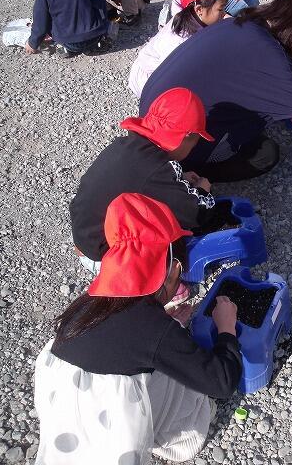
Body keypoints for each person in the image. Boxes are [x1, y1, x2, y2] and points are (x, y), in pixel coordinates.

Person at [35, 192, 242, 464]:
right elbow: (222, 382)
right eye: (180, 271)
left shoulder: (88, 306)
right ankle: (171, 437)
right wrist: (226, 327)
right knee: (180, 391)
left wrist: (169, 326)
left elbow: (122, 341)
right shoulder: (154, 328)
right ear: (171, 268)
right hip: (114, 447)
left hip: (63, 434)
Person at [140, 0, 292, 183]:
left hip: (154, 113)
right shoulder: (271, 56)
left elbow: (262, 88)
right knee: (265, 154)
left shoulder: (241, 24)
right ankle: (188, 172)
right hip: (177, 143)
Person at [70, 88, 225, 282]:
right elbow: (196, 213)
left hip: (84, 237)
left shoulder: (126, 146)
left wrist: (179, 178)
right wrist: (203, 189)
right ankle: (153, 287)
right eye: (194, 143)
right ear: (186, 137)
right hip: (107, 259)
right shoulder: (158, 170)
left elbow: (141, 181)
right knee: (172, 247)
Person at [128, 0, 231, 98]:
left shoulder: (189, 13)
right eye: (221, 9)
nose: (224, 14)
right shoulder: (182, 42)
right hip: (149, 83)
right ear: (199, 9)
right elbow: (169, 78)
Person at [25, 0, 112, 58]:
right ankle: (103, 32)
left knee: (47, 16)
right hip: (95, 36)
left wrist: (32, 43)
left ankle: (68, 49)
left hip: (69, 43)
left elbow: (40, 24)